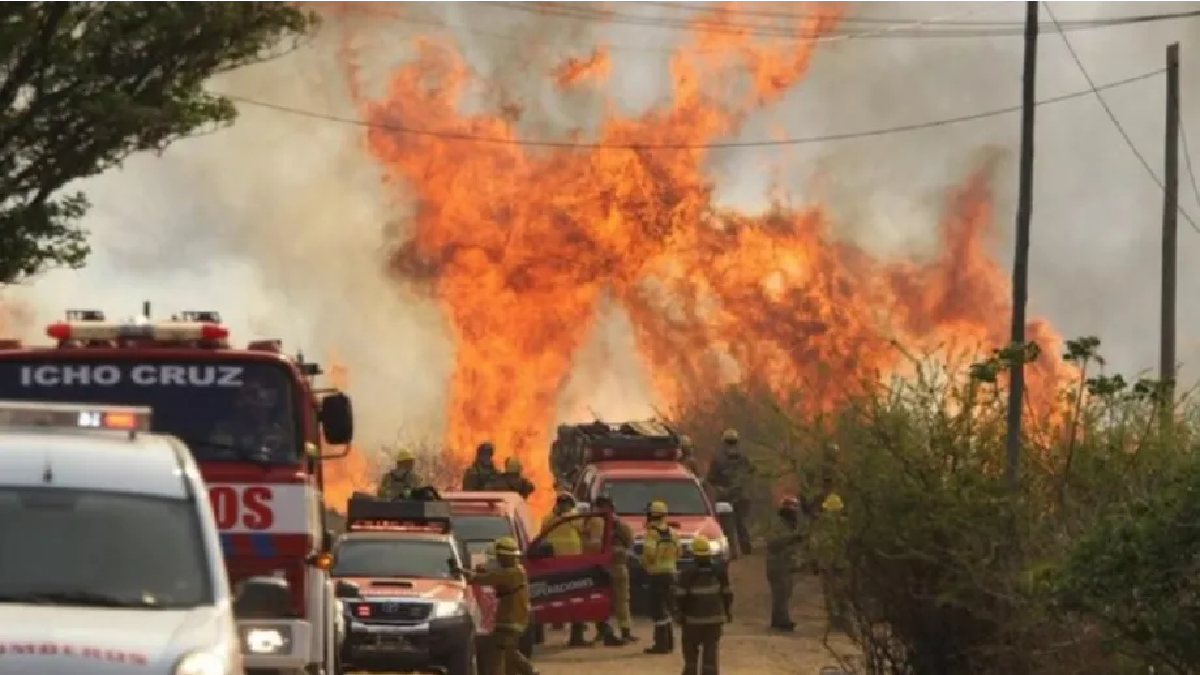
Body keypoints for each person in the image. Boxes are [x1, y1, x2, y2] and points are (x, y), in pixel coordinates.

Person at [463, 536, 538, 675]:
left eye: (500, 557)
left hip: (512, 620)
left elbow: (486, 578)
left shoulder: (512, 573)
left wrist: (464, 573)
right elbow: (493, 575)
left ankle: (530, 671)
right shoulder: (515, 570)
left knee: (507, 651)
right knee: (501, 653)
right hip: (510, 619)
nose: (498, 560)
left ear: (506, 557)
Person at [674, 534, 732, 675]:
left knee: (691, 654)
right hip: (714, 620)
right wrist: (727, 612)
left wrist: (679, 615)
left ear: (693, 554)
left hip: (692, 621)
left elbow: (679, 597)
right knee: (710, 652)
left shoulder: (687, 574)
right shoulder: (719, 571)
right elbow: (727, 594)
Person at [539, 493, 588, 647]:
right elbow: (584, 531)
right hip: (570, 561)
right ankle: (574, 632)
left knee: (557, 593)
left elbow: (542, 534)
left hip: (556, 561)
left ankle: (563, 625)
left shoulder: (549, 518)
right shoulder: (574, 518)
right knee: (574, 596)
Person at [588, 495, 634, 646]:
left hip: (616, 565)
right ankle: (603, 630)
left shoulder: (618, 524)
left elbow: (629, 542)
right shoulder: (594, 522)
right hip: (599, 567)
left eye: (603, 506)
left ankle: (625, 632)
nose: (601, 509)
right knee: (599, 600)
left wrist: (615, 552)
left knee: (621, 600)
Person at [706, 429, 755, 555]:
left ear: (724, 442)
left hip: (725, 496)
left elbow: (711, 478)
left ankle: (731, 551)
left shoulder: (718, 458)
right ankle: (746, 549)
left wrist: (720, 488)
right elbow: (752, 472)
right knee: (742, 523)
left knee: (727, 525)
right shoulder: (744, 457)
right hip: (741, 495)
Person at [641, 499, 680, 654]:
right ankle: (669, 643)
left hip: (657, 575)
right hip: (671, 573)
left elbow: (649, 554)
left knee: (658, 610)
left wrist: (644, 564)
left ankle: (661, 645)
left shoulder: (652, 534)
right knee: (668, 608)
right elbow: (679, 552)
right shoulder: (672, 533)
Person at [765, 495, 806, 631]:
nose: (794, 512)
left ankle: (781, 620)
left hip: (785, 565)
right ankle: (780, 621)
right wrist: (792, 538)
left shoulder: (789, 525)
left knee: (785, 593)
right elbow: (773, 543)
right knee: (780, 594)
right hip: (777, 565)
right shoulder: (778, 524)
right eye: (792, 509)